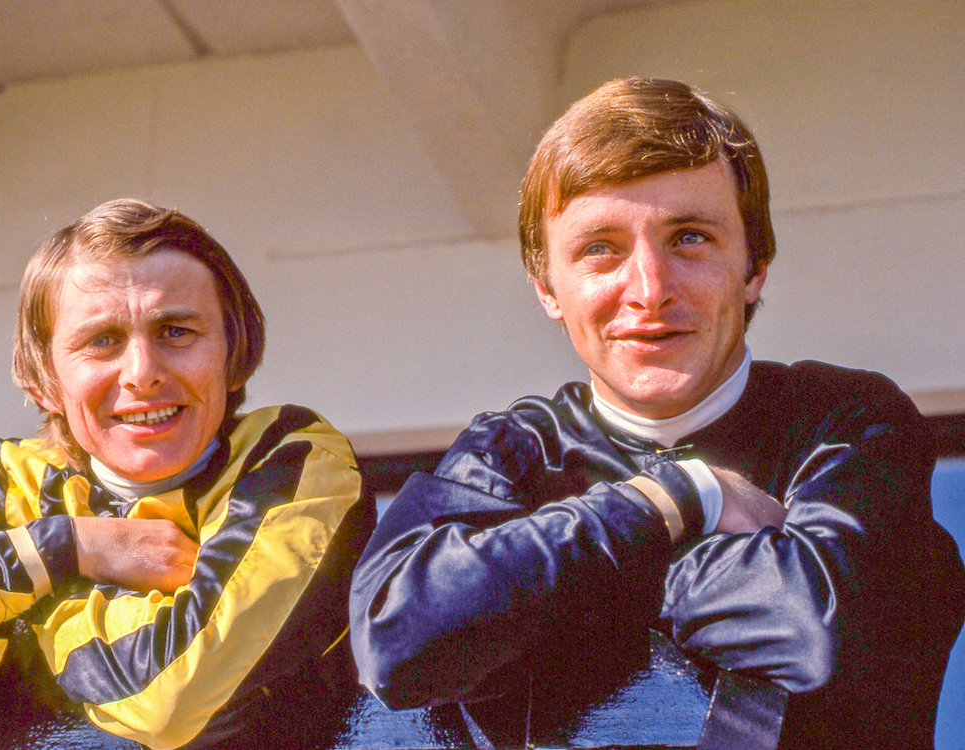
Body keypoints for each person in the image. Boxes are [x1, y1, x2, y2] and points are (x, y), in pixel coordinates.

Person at [349, 78, 965, 749]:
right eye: (600, 248)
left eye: (691, 237)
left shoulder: (845, 421)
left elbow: (809, 635)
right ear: (548, 287)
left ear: (754, 267)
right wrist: (673, 500)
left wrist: (527, 587)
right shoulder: (511, 451)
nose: (649, 289)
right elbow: (395, 640)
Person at [0, 199, 374, 749]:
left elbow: (171, 697)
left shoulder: (291, 458)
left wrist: (9, 615)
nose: (143, 372)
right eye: (103, 341)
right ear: (45, 383)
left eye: (176, 331)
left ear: (233, 355)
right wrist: (62, 549)